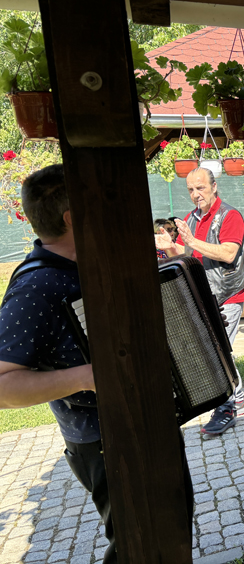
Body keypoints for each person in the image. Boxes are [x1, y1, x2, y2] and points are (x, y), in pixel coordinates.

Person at [0, 164, 194, 563]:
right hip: (105, 441)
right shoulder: (37, 286)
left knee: (170, 530)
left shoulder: (89, 265)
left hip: (144, 422)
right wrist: (93, 375)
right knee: (138, 547)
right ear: (72, 218)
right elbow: (3, 385)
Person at [155, 166, 244, 435]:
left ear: (214, 187)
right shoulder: (191, 218)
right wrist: (169, 246)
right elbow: (187, 254)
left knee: (216, 348)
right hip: (203, 293)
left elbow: (228, 253)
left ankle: (227, 407)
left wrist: (192, 241)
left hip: (227, 294)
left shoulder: (230, 215)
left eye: (200, 188)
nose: (196, 194)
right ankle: (237, 398)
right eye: (191, 189)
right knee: (215, 347)